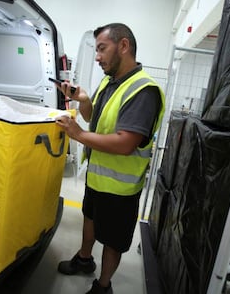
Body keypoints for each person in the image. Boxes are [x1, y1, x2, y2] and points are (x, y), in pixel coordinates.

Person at [55, 23, 165, 294]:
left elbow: (125, 143)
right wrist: (82, 99)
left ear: (124, 46)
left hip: (120, 188)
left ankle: (103, 286)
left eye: (102, 49)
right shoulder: (110, 81)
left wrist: (78, 135)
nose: (97, 56)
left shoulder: (143, 91)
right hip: (98, 177)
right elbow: (95, 118)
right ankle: (84, 259)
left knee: (112, 240)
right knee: (89, 219)